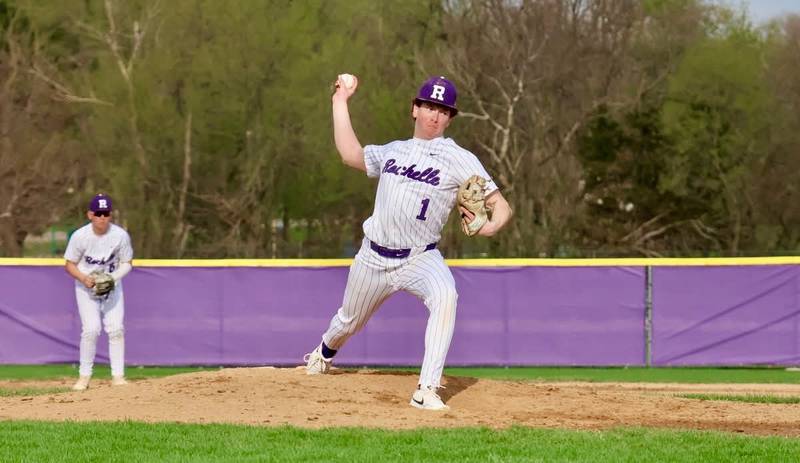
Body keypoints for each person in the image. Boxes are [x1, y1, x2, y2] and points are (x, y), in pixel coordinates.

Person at [303, 74, 513, 410]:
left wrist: (489, 226)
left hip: (420, 257)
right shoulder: (393, 151)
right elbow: (350, 154)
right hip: (373, 257)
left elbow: (500, 205)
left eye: (443, 110)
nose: (435, 115)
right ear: (415, 109)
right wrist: (339, 101)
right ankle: (323, 353)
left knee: (446, 296)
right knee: (348, 321)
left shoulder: (459, 158)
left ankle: (427, 389)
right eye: (429, 106)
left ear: (450, 117)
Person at [64, 193, 134, 391]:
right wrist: (84, 278)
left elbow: (127, 263)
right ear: (90, 214)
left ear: (110, 215)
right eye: (98, 213)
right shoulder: (80, 236)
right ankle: (84, 377)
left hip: (112, 287)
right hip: (86, 288)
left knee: (116, 329)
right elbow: (69, 265)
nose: (102, 217)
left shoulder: (120, 235)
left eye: (106, 213)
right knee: (91, 330)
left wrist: (112, 278)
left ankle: (118, 376)